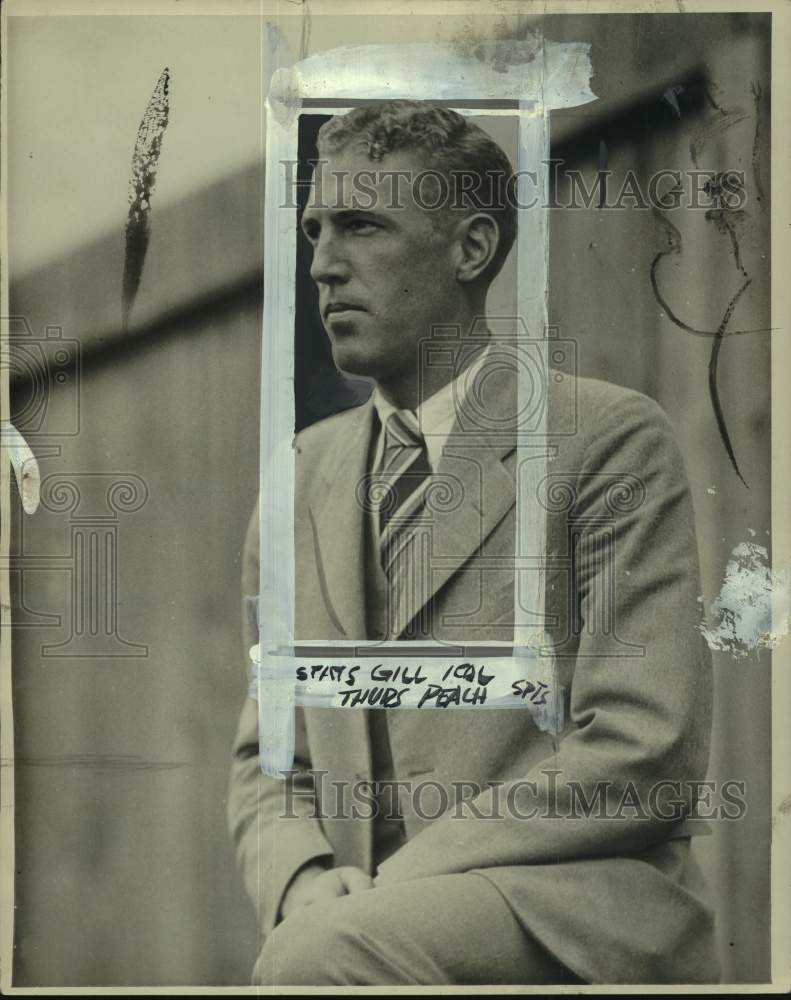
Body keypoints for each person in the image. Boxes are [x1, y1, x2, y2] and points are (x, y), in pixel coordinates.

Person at [227, 101, 719, 986]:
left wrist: (388, 889)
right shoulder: (297, 477)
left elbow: (643, 752)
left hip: (567, 913)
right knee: (309, 946)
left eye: (362, 225)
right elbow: (270, 764)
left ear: (471, 248)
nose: (323, 265)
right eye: (313, 230)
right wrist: (302, 881)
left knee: (316, 962)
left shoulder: (602, 439)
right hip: (363, 925)